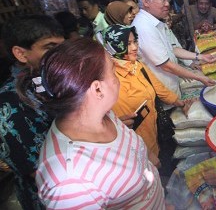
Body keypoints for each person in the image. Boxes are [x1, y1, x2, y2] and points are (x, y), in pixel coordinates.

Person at [29, 38, 165, 209]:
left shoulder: (102, 113)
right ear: (97, 89)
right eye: (113, 71)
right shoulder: (69, 182)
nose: (117, 79)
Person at [0, 15, 64, 210]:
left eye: (62, 45)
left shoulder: (53, 80)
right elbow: (41, 173)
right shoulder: (8, 106)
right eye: (49, 47)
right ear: (21, 54)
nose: (61, 53)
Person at [102, 24, 185, 162]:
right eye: (127, 44)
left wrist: (180, 103)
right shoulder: (113, 81)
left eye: (135, 41)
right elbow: (124, 129)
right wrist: (146, 155)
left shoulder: (137, 66)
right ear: (114, 46)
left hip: (154, 135)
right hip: (138, 151)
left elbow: (159, 88)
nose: (134, 47)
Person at [132, 0, 216, 109]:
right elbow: (166, 65)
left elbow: (174, 49)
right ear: (146, 2)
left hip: (172, 84)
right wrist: (199, 78)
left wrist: (199, 57)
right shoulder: (143, 27)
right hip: (163, 92)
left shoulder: (157, 22)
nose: (167, 4)